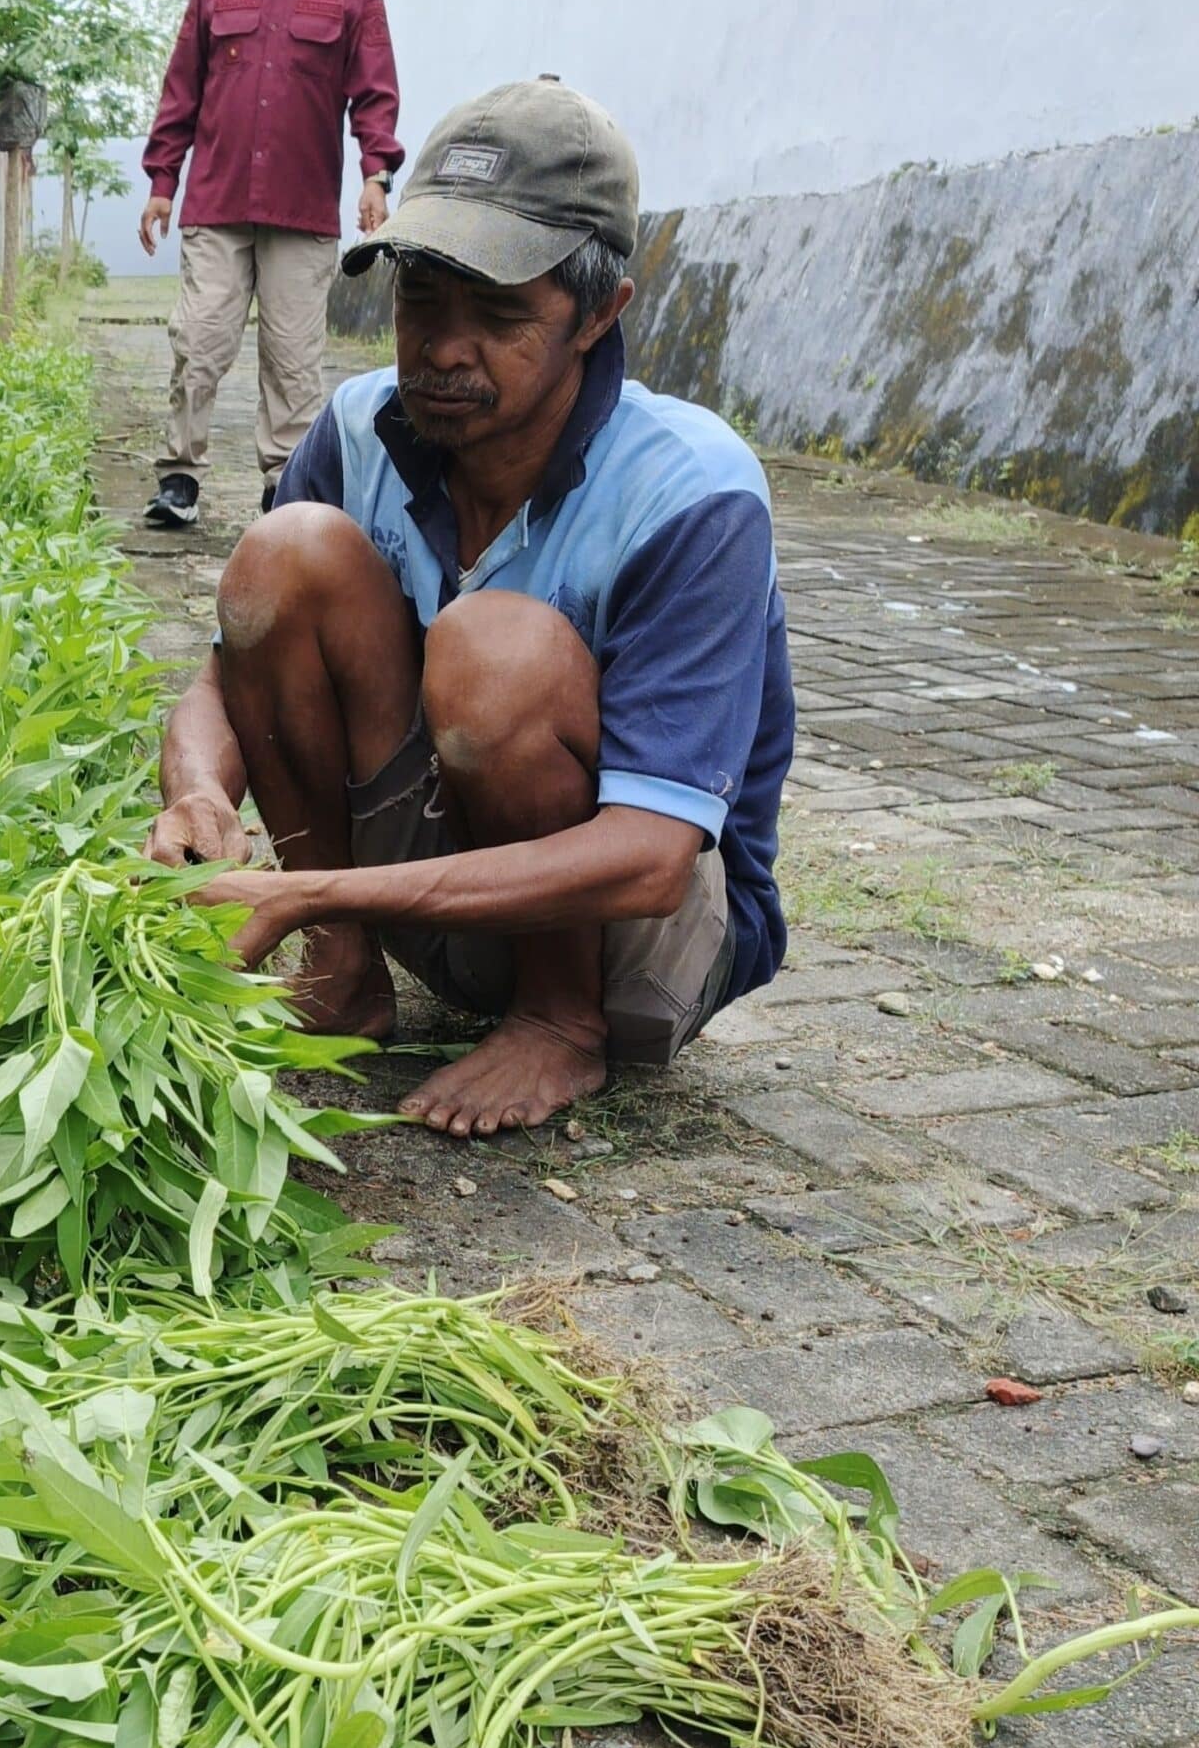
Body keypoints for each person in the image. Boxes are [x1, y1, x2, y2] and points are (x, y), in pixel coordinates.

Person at [144, 77, 795, 1138]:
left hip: (648, 937)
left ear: (598, 315)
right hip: (443, 879)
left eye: (497, 315)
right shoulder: (360, 428)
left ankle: (556, 1018)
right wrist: (199, 795)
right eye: (420, 302)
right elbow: (223, 680)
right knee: (282, 554)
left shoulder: (691, 489)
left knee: (493, 650)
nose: (444, 349)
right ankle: (345, 976)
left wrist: (307, 892)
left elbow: (649, 854)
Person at [138, 0, 403, 529]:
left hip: (303, 209)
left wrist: (376, 174)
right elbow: (180, 92)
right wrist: (163, 181)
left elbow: (374, 91)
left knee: (293, 362)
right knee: (198, 342)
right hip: (218, 203)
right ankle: (180, 478)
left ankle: (283, 488)